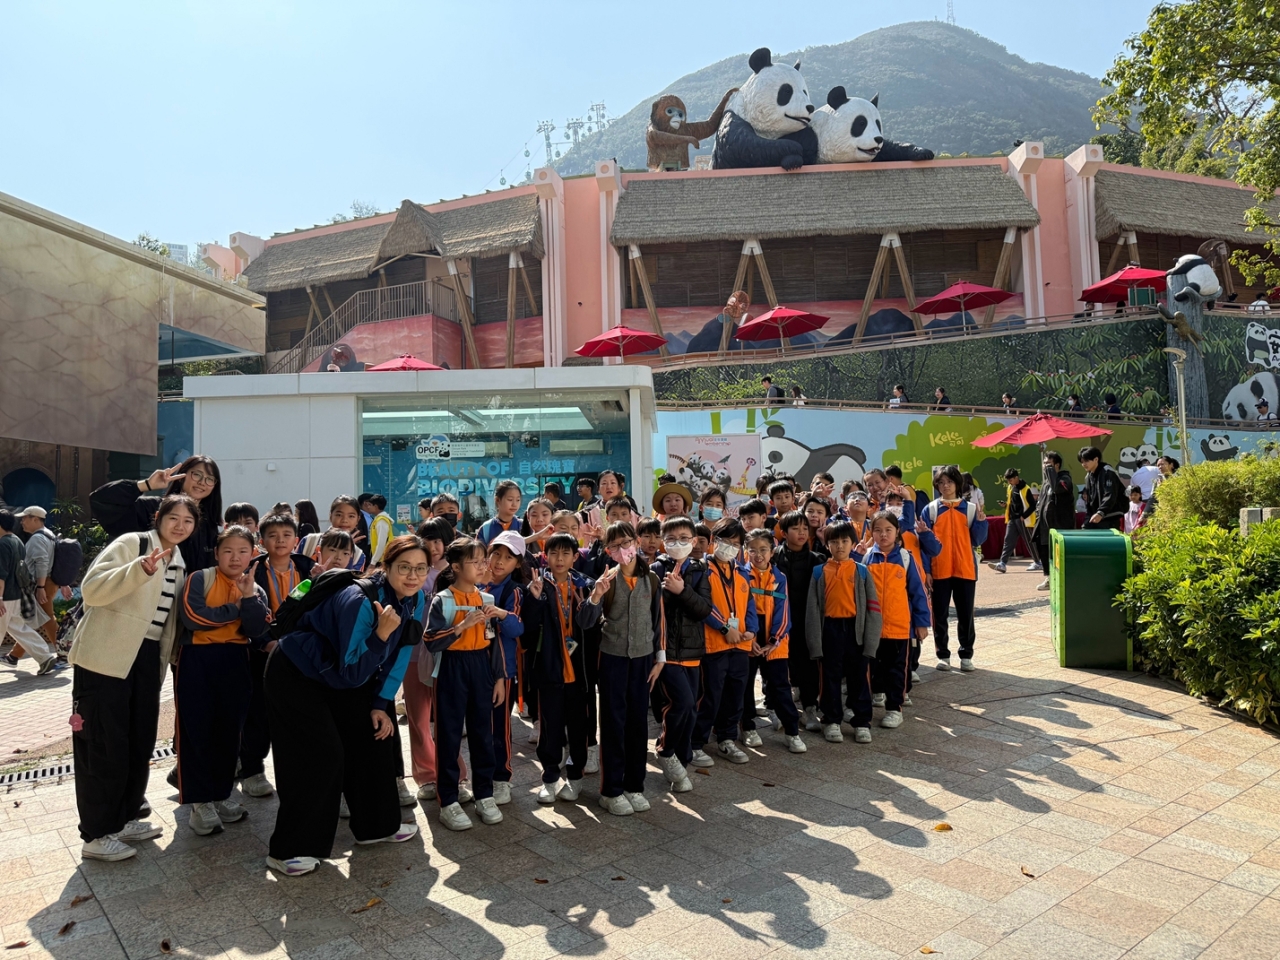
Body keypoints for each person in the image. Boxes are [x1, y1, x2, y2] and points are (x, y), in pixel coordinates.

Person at [265, 535, 428, 875]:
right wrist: (380, 635)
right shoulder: (360, 602)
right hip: (297, 672)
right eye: (404, 567)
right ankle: (290, 849)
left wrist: (381, 703)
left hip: (340, 674)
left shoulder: (416, 597)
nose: (413, 576)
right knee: (322, 754)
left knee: (373, 734)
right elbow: (351, 672)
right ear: (385, 567)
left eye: (420, 568)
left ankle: (377, 827)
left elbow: (401, 653)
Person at [68, 494, 196, 861]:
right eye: (173, 518)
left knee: (138, 741)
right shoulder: (132, 544)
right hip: (105, 657)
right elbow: (92, 590)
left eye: (188, 521)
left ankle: (123, 818)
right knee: (102, 742)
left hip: (146, 658)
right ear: (158, 518)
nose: (180, 526)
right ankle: (96, 834)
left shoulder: (179, 563)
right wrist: (138, 570)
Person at [176, 526, 271, 837]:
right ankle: (199, 802)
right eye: (228, 550)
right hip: (197, 659)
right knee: (197, 729)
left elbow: (256, 629)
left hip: (236, 660)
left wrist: (247, 599)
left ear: (252, 554)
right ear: (216, 553)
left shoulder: (254, 589)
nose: (235, 557)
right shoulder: (199, 578)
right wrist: (236, 610)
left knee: (230, 731)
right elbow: (194, 618)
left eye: (242, 551)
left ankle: (221, 794)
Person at [424, 537, 509, 831]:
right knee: (448, 735)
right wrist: (461, 626)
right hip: (451, 667)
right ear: (457, 567)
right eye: (475, 561)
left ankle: (484, 794)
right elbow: (430, 641)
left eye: (483, 560)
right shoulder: (443, 600)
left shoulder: (487, 600)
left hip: (481, 667)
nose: (483, 566)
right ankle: (448, 800)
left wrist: (499, 678)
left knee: (483, 734)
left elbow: (493, 642)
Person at [522, 533, 603, 804]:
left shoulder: (586, 586)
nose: (559, 559)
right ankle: (549, 778)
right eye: (554, 553)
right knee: (550, 728)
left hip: (580, 672)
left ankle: (575, 778)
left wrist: (594, 598)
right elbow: (527, 632)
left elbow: (591, 626)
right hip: (549, 671)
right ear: (545, 556)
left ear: (575, 557)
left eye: (565, 553)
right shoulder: (538, 586)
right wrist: (534, 601)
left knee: (580, 728)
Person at [594, 522, 665, 816]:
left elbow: (658, 619)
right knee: (613, 722)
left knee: (638, 723)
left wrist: (660, 658)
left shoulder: (651, 579)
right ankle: (611, 790)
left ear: (636, 541)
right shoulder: (607, 580)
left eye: (626, 542)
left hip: (643, 659)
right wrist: (595, 596)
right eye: (614, 546)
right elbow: (588, 620)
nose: (622, 550)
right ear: (608, 551)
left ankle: (635, 785)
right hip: (612, 658)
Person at [244, 513, 316, 799]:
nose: (280, 541)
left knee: (299, 712)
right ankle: (252, 770)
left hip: (301, 651)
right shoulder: (251, 571)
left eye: (286, 535)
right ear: (262, 541)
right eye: (272, 536)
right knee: (258, 712)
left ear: (296, 540)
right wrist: (264, 643)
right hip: (265, 650)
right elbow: (246, 614)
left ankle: (301, 767)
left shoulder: (309, 568)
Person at [805, 521, 882, 744]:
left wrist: (871, 642)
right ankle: (831, 721)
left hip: (856, 630)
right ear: (827, 544)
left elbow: (873, 608)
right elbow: (812, 610)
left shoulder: (861, 572)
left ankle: (861, 722)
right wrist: (815, 643)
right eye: (834, 541)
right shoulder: (819, 572)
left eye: (844, 541)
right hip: (830, 630)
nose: (840, 546)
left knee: (859, 678)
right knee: (829, 678)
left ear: (852, 543)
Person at [650, 517, 711, 794]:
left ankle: (681, 761)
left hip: (693, 651)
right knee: (682, 703)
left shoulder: (699, 570)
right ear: (663, 542)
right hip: (666, 652)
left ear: (694, 540)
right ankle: (665, 750)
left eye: (684, 538)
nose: (679, 543)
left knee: (692, 708)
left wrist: (682, 590)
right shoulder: (654, 570)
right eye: (672, 539)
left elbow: (704, 609)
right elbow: (653, 611)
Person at [854, 511, 930, 731]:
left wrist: (921, 623)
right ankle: (877, 693)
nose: (883, 535)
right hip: (872, 628)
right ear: (871, 532)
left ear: (897, 532)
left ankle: (894, 708)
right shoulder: (867, 558)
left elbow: (918, 593)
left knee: (897, 670)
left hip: (899, 627)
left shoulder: (906, 558)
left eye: (888, 530)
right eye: (878, 530)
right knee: (873, 666)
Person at [690, 518, 757, 767]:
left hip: (740, 644)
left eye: (735, 543)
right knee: (710, 695)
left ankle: (727, 738)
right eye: (725, 541)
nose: (730, 547)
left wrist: (752, 630)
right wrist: (724, 628)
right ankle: (696, 742)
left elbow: (750, 605)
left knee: (736, 694)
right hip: (713, 644)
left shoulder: (742, 571)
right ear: (713, 540)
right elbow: (702, 606)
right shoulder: (701, 569)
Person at [91, 458, 222, 570]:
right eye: (197, 475)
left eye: (210, 479)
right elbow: (101, 500)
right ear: (182, 476)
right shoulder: (151, 508)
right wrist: (146, 484)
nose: (202, 482)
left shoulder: (210, 526)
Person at [476, 531, 528, 808]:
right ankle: (481, 778)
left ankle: (502, 778)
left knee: (499, 727)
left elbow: (518, 628)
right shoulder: (474, 583)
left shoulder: (514, 591)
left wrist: (501, 613)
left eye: (508, 557)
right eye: (496, 553)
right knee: (478, 727)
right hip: (473, 666)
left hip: (502, 672)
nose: (499, 561)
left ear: (517, 564)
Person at [742, 529, 805, 753]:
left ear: (772, 551)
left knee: (780, 686)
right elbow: (740, 609)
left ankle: (792, 731)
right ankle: (747, 727)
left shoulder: (779, 577)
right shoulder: (741, 575)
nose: (758, 555)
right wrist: (749, 638)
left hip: (774, 639)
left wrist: (774, 640)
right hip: (748, 636)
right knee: (745, 685)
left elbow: (783, 611)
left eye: (763, 550)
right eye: (752, 550)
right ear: (745, 551)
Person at [921, 466, 988, 673]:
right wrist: (927, 571)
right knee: (939, 615)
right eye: (941, 482)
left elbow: (977, 540)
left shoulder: (970, 508)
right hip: (939, 570)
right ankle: (943, 655)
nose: (945, 486)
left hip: (965, 568)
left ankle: (966, 655)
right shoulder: (930, 509)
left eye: (949, 481)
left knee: (966, 615)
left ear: (957, 483)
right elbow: (924, 545)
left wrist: (981, 523)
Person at [773, 510, 826, 732]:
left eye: (805, 528)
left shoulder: (817, 560)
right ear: (784, 533)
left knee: (808, 665)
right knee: (778, 667)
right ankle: (777, 708)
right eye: (795, 528)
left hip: (807, 622)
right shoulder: (774, 558)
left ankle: (810, 707)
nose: (802, 532)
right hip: (779, 622)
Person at [0, 511, 59, 675]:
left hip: (5, 597)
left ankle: (45, 657)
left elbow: (1, 575)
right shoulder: (17, 541)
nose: (23, 521)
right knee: (20, 629)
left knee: (20, 628)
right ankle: (45, 657)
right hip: (17, 595)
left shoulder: (3, 544)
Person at [15, 505, 66, 655]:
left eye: (24, 518)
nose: (22, 522)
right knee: (35, 619)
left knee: (46, 620)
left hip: (43, 584)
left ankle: (64, 653)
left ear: (35, 519)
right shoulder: (49, 535)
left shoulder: (37, 538)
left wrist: (40, 587)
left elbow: (42, 562)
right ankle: (14, 655)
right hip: (48, 583)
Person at [1033, 452, 1076, 591]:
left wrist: (1051, 472)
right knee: (1046, 553)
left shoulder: (1065, 479)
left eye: (1048, 464)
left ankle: (1063, 581)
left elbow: (1058, 489)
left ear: (1057, 465)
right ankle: (1049, 578)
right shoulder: (1046, 483)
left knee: (1059, 554)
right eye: (1044, 463)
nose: (1045, 466)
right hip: (1045, 526)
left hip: (1059, 525)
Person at [987, 468, 1038, 574]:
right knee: (1008, 541)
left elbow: (1033, 505)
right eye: (1008, 480)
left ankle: (1038, 562)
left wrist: (1024, 516)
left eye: (1010, 480)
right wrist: (1005, 505)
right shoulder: (1011, 487)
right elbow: (1012, 503)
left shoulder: (1026, 489)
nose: (1009, 482)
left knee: (1029, 541)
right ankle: (1002, 564)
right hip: (1012, 519)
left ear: (1016, 478)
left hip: (1023, 520)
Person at [300, 496, 366, 570]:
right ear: (331, 516)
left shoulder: (358, 555)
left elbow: (351, 576)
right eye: (339, 515)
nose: (344, 520)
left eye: (351, 516)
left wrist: (348, 549)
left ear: (358, 520)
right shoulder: (309, 541)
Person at [1079, 446, 1126, 530]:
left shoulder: (1108, 472)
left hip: (1110, 516)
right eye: (1082, 462)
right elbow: (1090, 501)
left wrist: (1101, 512)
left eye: (1086, 461)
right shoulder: (1088, 477)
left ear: (1096, 459)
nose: (1084, 464)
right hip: (1096, 516)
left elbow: (1110, 495)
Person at [478, 479, 525, 546]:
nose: (514, 504)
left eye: (518, 500)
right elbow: (478, 552)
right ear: (498, 500)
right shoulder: (486, 528)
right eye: (510, 499)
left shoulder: (523, 526)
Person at [362, 495, 395, 564]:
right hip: (380, 558)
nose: (368, 507)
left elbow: (381, 544)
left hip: (382, 560)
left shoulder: (381, 521)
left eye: (370, 505)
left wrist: (373, 562)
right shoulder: (378, 519)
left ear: (376, 506)